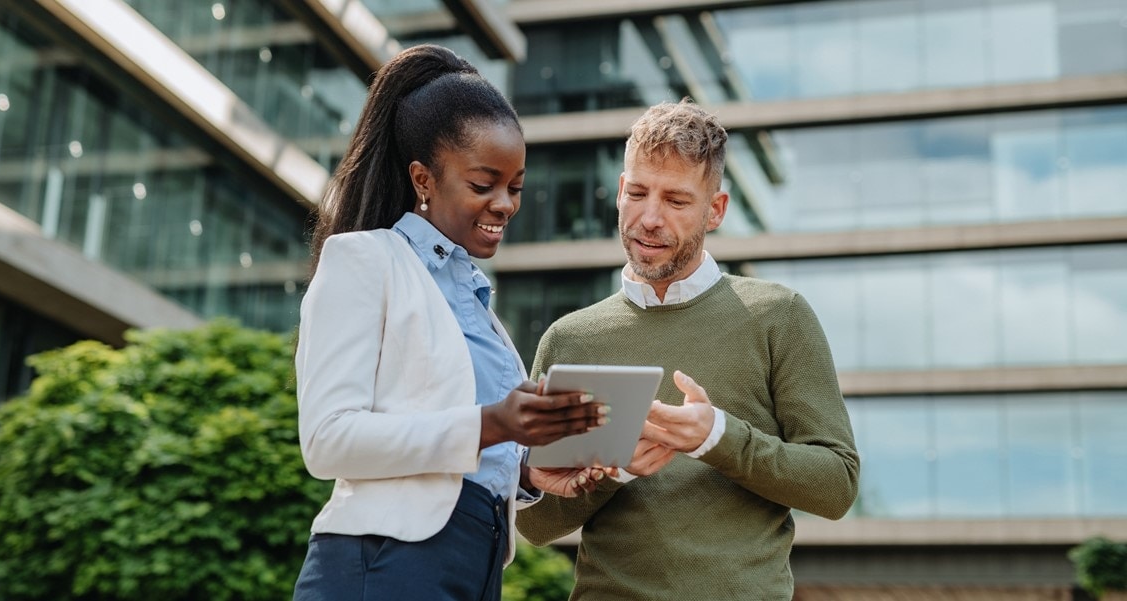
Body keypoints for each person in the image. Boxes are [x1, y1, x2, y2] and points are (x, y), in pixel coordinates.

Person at [293, 44, 611, 601]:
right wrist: (494, 423)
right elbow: (326, 440)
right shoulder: (365, 261)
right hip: (385, 565)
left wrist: (530, 473)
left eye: (514, 186)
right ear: (424, 178)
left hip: (474, 566)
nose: (505, 204)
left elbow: (465, 457)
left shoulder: (480, 309)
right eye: (483, 183)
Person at [516, 99, 860, 600]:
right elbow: (538, 524)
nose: (650, 218)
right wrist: (614, 469)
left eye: (676, 201)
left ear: (715, 210)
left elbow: (836, 486)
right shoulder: (568, 339)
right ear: (619, 192)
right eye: (637, 193)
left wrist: (717, 437)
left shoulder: (777, 316)